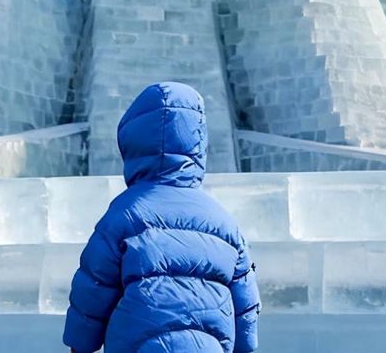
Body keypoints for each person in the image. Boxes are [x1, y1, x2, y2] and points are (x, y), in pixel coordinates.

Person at [63, 81, 261, 352]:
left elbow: (94, 286)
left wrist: (80, 345)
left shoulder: (125, 214)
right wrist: (246, 346)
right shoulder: (223, 222)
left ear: (133, 142)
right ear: (198, 143)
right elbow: (245, 303)